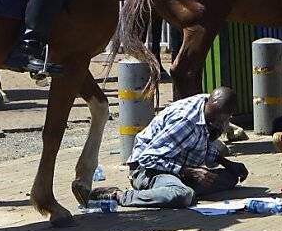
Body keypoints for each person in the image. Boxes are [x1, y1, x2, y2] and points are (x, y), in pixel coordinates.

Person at [90, 87, 248, 208]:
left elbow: (200, 143)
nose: (222, 124)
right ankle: (119, 196)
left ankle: (170, 189)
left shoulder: (208, 107)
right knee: (184, 195)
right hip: (147, 170)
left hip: (180, 168)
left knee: (231, 177)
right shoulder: (185, 122)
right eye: (217, 120)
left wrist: (227, 163)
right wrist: (189, 172)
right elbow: (147, 158)